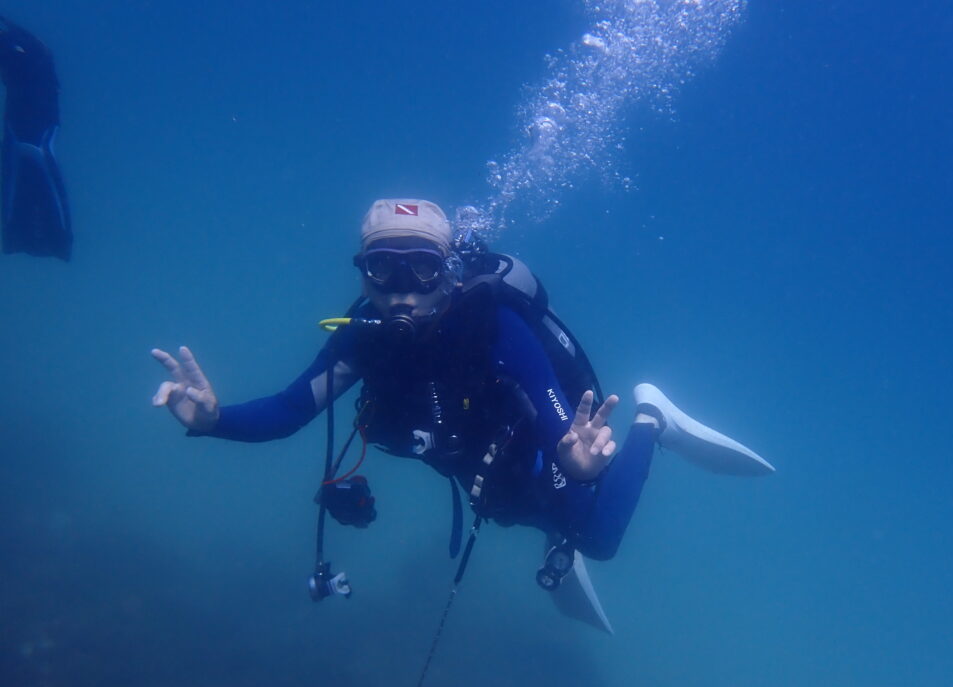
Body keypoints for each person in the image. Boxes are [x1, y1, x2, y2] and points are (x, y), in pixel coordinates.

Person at [152, 199, 773, 598]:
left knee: (599, 536)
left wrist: (577, 462)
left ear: (447, 270)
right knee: (507, 507)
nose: (402, 289)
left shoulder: (494, 328)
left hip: (529, 448)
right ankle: (553, 525)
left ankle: (652, 416)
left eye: (422, 268)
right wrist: (214, 421)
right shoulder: (361, 339)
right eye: (382, 269)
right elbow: (292, 410)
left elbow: (559, 425)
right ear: (362, 273)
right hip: (477, 464)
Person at [0, 16, 71, 260]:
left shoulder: (26, 50)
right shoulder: (27, 49)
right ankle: (34, 238)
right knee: (21, 160)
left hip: (33, 119)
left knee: (27, 158)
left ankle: (49, 239)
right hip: (31, 116)